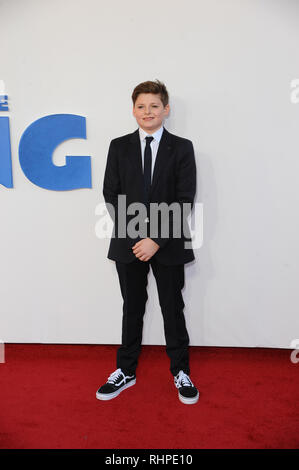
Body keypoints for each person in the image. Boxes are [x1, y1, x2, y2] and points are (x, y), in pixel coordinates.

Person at [96, 79, 199, 405]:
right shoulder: (118, 145)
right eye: (141, 106)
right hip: (129, 243)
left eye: (154, 105)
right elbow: (111, 194)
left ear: (166, 109)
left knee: (173, 308)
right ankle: (125, 370)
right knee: (132, 308)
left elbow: (184, 198)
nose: (148, 111)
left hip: (166, 244)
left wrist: (155, 239)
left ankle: (180, 371)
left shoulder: (182, 147)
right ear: (133, 110)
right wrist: (139, 236)